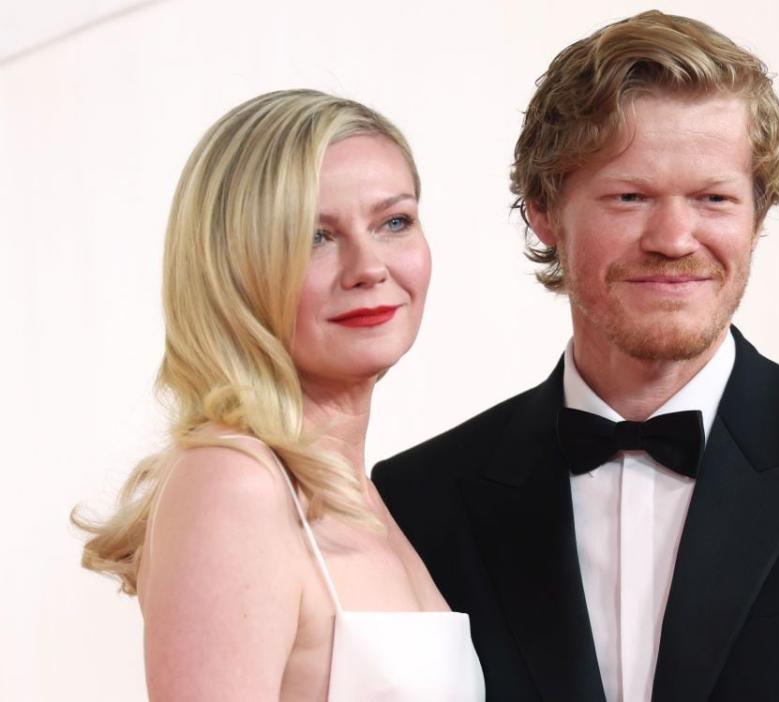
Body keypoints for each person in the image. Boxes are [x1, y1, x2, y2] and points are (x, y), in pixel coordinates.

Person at [372, 11, 779, 702]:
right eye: (630, 197)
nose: (675, 238)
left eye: (714, 198)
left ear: (757, 215)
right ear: (542, 210)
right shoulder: (420, 497)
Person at [73, 89, 484, 701]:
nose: (368, 267)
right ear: (234, 269)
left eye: (393, 222)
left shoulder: (364, 493)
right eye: (316, 236)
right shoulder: (233, 482)